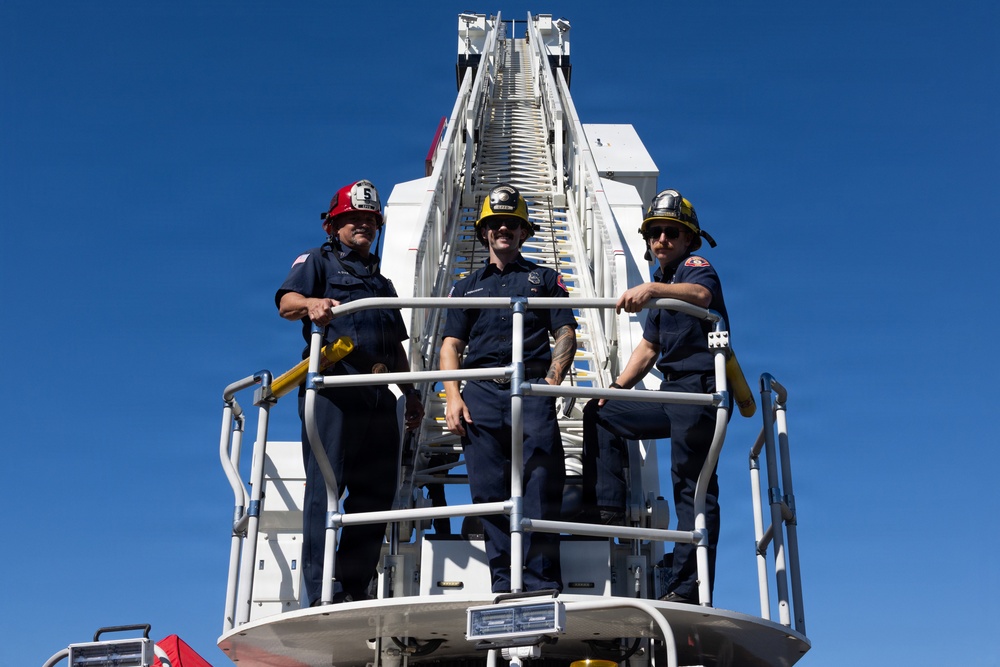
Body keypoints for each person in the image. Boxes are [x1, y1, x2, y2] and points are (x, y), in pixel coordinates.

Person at [275, 179, 424, 605]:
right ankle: (324, 589)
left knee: (376, 492)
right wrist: (312, 304)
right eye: (354, 219)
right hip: (335, 392)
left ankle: (355, 585)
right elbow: (286, 302)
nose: (364, 226)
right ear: (333, 225)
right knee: (326, 488)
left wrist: (410, 392)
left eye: (370, 220)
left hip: (378, 395)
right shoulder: (316, 262)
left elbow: (395, 346)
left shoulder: (382, 284)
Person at [581, 188, 730, 605]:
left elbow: (703, 298)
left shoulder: (694, 269)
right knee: (602, 412)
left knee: (692, 487)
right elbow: (647, 350)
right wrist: (616, 389)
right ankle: (607, 506)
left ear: (688, 239)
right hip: (670, 393)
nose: (660, 240)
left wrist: (652, 289)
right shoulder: (664, 284)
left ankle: (689, 585)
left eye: (670, 233)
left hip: (699, 391)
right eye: (654, 234)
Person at [440, 184, 578, 593]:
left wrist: (550, 384)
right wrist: (452, 396)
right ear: (484, 231)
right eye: (497, 223)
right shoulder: (465, 287)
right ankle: (504, 580)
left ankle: (539, 582)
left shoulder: (545, 279)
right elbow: (451, 346)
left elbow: (565, 331)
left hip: (531, 386)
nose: (504, 229)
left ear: (523, 233)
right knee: (486, 490)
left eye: (512, 224)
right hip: (480, 392)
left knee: (540, 481)